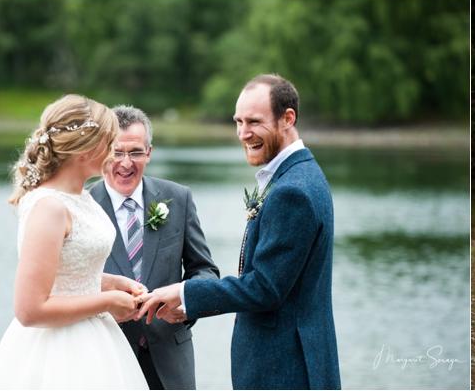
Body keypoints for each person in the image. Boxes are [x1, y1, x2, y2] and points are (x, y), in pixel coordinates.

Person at [136, 74, 342, 389]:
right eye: (238, 121)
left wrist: (184, 293)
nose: (243, 133)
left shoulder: (293, 191)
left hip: (285, 370)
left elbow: (265, 288)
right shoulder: (299, 175)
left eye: (254, 122)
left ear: (288, 118)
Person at [0, 94, 148, 388]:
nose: (114, 152)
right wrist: (106, 302)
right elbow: (29, 310)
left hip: (97, 341)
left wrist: (111, 282)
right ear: (84, 150)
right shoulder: (50, 207)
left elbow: (67, 270)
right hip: (59, 349)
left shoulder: (80, 197)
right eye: (109, 143)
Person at [89, 106, 220, 389]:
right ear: (101, 151)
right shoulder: (82, 206)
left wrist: (185, 301)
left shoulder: (178, 198)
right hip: (106, 358)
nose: (126, 163)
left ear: (149, 153)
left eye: (135, 152)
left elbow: (205, 270)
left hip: (172, 362)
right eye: (116, 151)